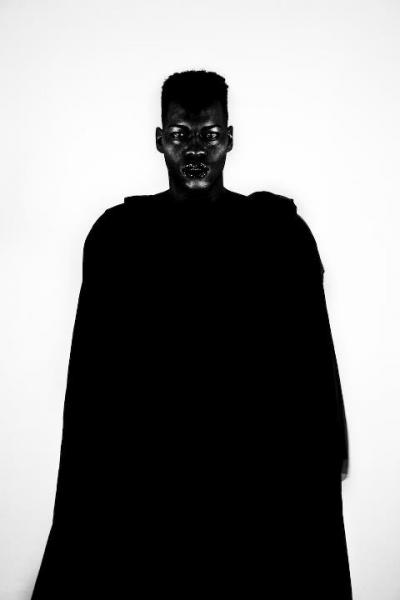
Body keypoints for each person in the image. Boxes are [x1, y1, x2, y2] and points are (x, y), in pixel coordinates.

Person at [31, 69, 352, 598]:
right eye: (181, 134)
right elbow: (92, 381)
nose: (197, 149)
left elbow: (313, 359)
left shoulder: (278, 235)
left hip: (253, 481)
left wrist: (326, 446)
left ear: (230, 138)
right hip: (151, 481)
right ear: (160, 140)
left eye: (210, 134)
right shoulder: (118, 239)